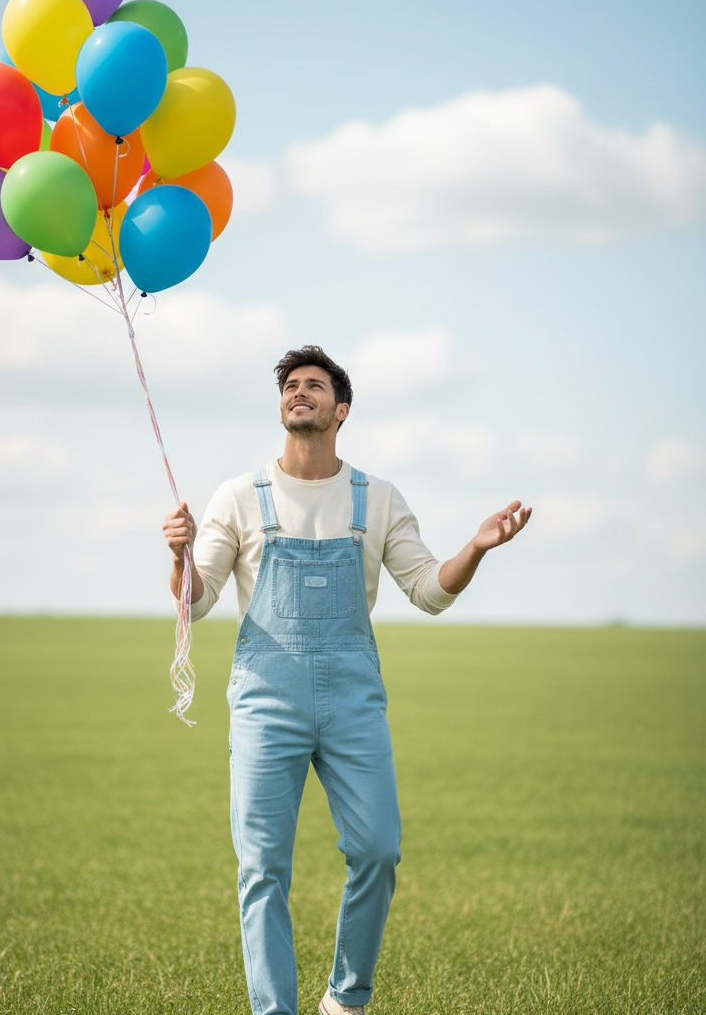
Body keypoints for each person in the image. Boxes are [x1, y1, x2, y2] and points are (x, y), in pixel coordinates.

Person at [162, 345, 532, 1015]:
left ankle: (346, 997)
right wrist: (180, 554)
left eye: (314, 385)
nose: (299, 392)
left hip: (352, 701)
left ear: (341, 409)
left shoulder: (378, 497)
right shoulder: (240, 496)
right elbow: (196, 598)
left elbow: (428, 590)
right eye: (291, 385)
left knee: (379, 848)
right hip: (265, 701)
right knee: (262, 868)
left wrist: (474, 547)